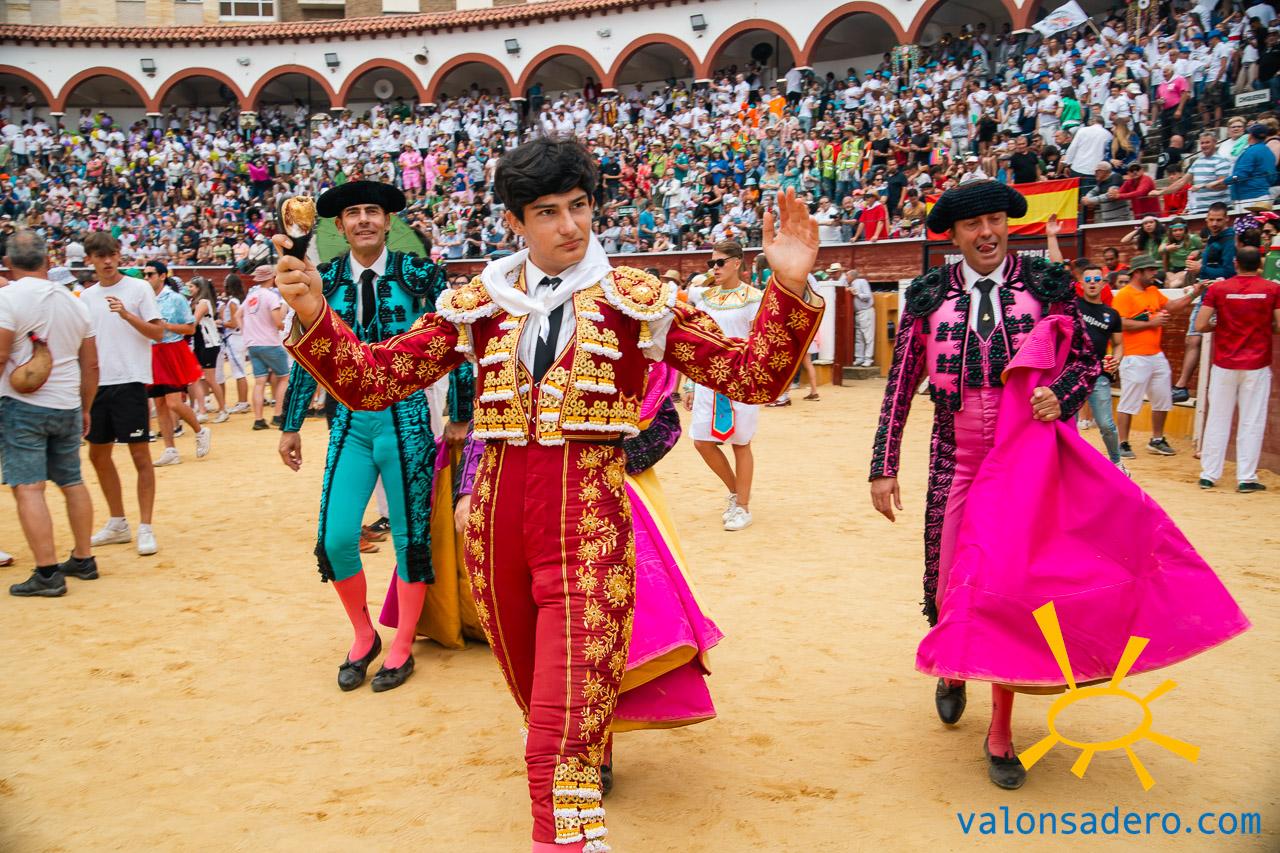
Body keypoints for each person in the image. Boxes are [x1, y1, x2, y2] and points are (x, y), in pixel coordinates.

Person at [274, 137, 823, 852]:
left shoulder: (637, 301)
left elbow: (753, 376)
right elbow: (372, 380)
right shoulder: (480, 303)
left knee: (556, 739)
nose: (571, 225)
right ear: (515, 222)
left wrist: (790, 288)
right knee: (547, 709)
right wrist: (315, 315)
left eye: (580, 206)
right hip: (495, 533)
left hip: (588, 528)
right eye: (548, 212)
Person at [869, 180, 1100, 791]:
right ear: (954, 234)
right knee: (949, 580)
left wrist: (1062, 394)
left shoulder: (1047, 283)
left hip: (1025, 460)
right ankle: (953, 666)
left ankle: (1000, 731)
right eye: (974, 225)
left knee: (1008, 592)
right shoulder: (926, 295)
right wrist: (883, 463)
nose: (988, 232)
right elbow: (900, 384)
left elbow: (1087, 359)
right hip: (956, 457)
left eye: (996, 219)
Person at [276, 180, 474, 693]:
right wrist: (291, 423)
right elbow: (309, 352)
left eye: (372, 211)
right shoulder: (324, 280)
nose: (363, 219)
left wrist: (461, 411)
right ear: (340, 227)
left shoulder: (420, 273)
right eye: (353, 213)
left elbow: (459, 337)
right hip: (348, 422)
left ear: (388, 222)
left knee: (410, 539)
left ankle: (402, 644)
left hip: (407, 417)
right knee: (336, 537)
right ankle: (364, 636)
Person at [0, 230, 99, 597]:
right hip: (67, 403)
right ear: (48, 260)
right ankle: (84, 558)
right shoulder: (75, 302)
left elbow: (0, 355)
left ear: (8, 263)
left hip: (22, 405)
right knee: (72, 481)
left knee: (28, 486)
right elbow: (92, 365)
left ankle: (46, 573)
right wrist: (85, 407)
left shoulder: (7, 298)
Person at [79, 231, 163, 557]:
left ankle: (146, 526)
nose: (108, 261)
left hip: (130, 380)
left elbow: (158, 333)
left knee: (140, 455)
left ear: (119, 254)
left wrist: (127, 315)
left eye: (112, 254)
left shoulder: (139, 288)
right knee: (98, 455)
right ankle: (117, 522)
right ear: (90, 260)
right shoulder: (85, 297)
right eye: (100, 256)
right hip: (98, 384)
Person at [684, 240, 765, 532]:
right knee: (701, 441)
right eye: (711, 263)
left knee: (741, 442)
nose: (714, 268)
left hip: (740, 379)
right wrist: (690, 383)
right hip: (708, 378)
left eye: (719, 262)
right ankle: (735, 492)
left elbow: (759, 342)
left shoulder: (754, 298)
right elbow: (696, 342)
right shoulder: (705, 298)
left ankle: (742, 506)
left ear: (736, 263)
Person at [1195, 246, 1280, 493]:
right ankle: (1246, 477)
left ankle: (1209, 475)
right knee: (1252, 421)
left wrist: (1219, 326)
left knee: (1217, 418)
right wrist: (1265, 327)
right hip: (1256, 364)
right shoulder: (1272, 289)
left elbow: (1200, 324)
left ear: (1235, 263)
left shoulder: (1218, 289)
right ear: (1260, 265)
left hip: (1224, 363)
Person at [1111, 254, 1204, 458]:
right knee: (1129, 401)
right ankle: (1122, 442)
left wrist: (1194, 294)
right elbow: (1120, 323)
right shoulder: (1124, 295)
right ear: (1138, 272)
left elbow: (1172, 307)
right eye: (1150, 270)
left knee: (1163, 398)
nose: (1155, 273)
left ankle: (1157, 439)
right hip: (1133, 355)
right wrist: (1150, 323)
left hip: (1155, 354)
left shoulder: (1152, 291)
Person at [143, 260, 210, 467]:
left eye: (150, 274)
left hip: (171, 350)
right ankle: (170, 449)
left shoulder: (175, 299)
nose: (146, 278)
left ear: (162, 276)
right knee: (160, 404)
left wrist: (166, 326)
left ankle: (200, 430)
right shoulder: (144, 299)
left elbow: (190, 328)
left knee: (172, 402)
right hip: (153, 351)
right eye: (145, 275)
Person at [1075, 263, 1126, 473]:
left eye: (1097, 279)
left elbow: (1119, 344)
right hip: (1073, 373)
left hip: (1098, 374)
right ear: (1081, 283)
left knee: (1106, 424)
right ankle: (1069, 466)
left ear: (1104, 283)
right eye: (1088, 280)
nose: (1092, 283)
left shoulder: (1111, 314)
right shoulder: (1073, 306)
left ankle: (1117, 462)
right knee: (1069, 424)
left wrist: (1116, 360)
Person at [242, 264, 289, 431]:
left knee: (260, 381)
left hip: (253, 343)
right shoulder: (271, 296)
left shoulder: (251, 296)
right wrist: (284, 323)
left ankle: (258, 419)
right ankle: (277, 415)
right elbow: (277, 322)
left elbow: (238, 315)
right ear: (272, 278)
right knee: (284, 377)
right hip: (269, 342)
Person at [851, 267, 875, 367]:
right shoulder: (850, 284)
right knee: (859, 337)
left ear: (852, 276)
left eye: (847, 275)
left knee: (868, 336)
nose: (845, 277)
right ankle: (859, 358)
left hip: (866, 311)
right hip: (858, 313)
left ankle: (868, 358)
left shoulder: (861, 282)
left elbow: (867, 296)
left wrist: (856, 293)